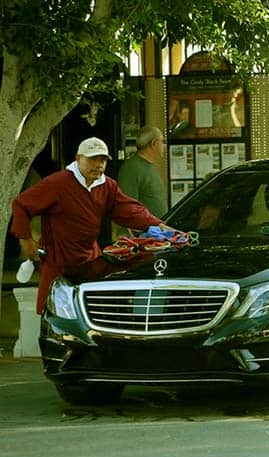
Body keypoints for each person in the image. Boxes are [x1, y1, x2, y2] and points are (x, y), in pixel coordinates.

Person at [11, 137, 170, 315]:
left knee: (95, 308)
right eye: (92, 159)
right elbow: (21, 204)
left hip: (89, 258)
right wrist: (26, 241)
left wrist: (155, 224)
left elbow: (126, 208)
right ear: (78, 158)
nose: (98, 165)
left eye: (102, 160)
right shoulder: (57, 183)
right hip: (57, 260)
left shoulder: (107, 186)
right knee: (52, 310)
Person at [118, 126, 168, 218]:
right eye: (162, 142)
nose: (164, 146)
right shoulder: (131, 168)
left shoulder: (150, 166)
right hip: (144, 231)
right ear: (153, 144)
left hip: (157, 230)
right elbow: (127, 208)